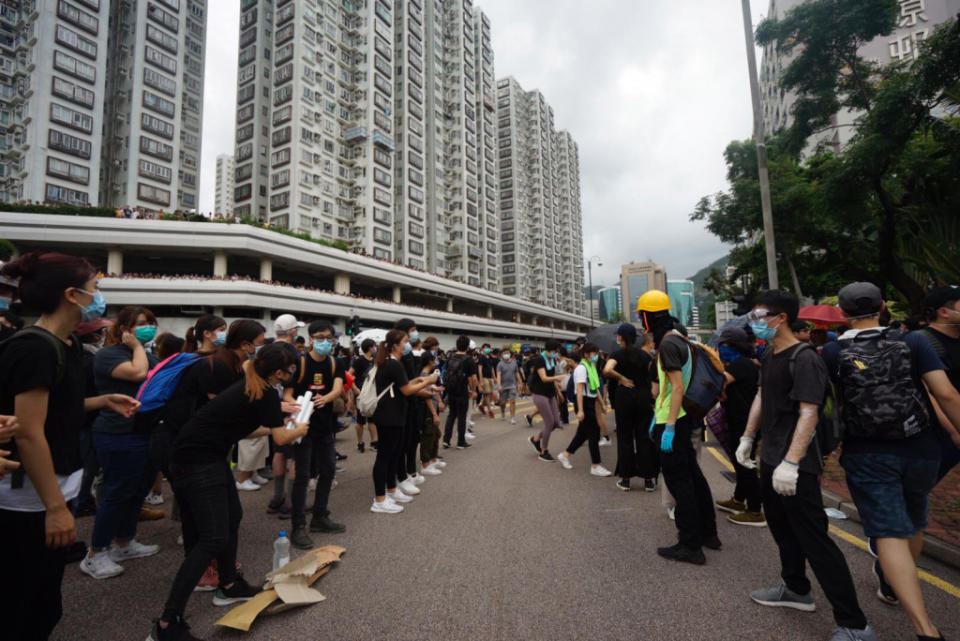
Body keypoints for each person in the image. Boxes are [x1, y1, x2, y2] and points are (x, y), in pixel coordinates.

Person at [0, 252, 140, 641]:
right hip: (28, 497)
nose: (99, 295)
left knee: (46, 602)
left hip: (53, 488)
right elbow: (29, 432)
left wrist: (101, 401)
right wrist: (57, 509)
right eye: (94, 287)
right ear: (71, 295)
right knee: (25, 605)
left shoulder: (67, 345)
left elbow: (55, 411)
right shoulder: (35, 347)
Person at [823, 282, 960, 641]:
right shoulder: (914, 341)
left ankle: (925, 628)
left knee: (888, 531)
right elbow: (945, 393)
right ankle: (896, 579)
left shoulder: (831, 352)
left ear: (841, 312)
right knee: (914, 521)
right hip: (920, 447)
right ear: (883, 306)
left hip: (865, 452)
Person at [737, 290, 875, 641]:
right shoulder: (770, 354)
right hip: (770, 459)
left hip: (795, 466)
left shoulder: (805, 358)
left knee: (815, 540)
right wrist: (748, 438)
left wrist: (791, 463)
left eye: (758, 315)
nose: (753, 322)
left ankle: (855, 625)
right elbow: (762, 396)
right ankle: (796, 588)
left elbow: (809, 413)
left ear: (780, 317)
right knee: (783, 530)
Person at [147, 344, 310, 641]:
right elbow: (283, 438)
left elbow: (244, 429)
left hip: (203, 455)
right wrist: (299, 428)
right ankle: (167, 624)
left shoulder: (254, 383)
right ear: (278, 373)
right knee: (212, 538)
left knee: (232, 516)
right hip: (195, 460)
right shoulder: (264, 391)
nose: (292, 375)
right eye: (290, 371)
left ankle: (229, 584)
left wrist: (280, 426)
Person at [638, 291, 719, 565]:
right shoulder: (681, 338)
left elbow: (677, 387)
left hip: (673, 421)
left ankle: (690, 545)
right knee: (694, 477)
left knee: (679, 482)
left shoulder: (669, 344)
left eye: (642, 315)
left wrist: (668, 425)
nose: (641, 320)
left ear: (649, 316)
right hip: (681, 419)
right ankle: (709, 534)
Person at [82, 305, 162, 580]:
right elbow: (137, 373)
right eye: (141, 323)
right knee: (117, 492)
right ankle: (96, 553)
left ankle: (125, 542)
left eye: (151, 322)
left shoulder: (149, 355)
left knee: (137, 490)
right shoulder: (108, 354)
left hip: (145, 431)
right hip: (117, 432)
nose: (148, 327)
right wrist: (137, 347)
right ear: (125, 329)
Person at [288, 320, 346, 549]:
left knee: (329, 470)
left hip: (325, 427)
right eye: (320, 337)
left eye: (329, 338)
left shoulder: (334, 362)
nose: (325, 342)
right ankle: (298, 526)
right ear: (310, 339)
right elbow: (288, 395)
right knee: (302, 477)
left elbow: (338, 388)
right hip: (303, 428)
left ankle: (320, 516)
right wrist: (301, 407)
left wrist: (326, 398)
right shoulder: (300, 362)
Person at [370, 329, 440, 514]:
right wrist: (428, 381)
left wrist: (419, 379)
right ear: (395, 344)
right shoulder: (393, 364)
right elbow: (408, 390)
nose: (407, 344)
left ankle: (391, 491)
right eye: (405, 341)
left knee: (393, 455)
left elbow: (404, 384)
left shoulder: (392, 363)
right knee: (385, 457)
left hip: (393, 415)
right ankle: (379, 499)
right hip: (389, 416)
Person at [713, 326, 764, 527]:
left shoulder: (740, 365)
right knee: (740, 461)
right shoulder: (742, 363)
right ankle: (738, 500)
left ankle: (754, 511)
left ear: (733, 346)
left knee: (745, 464)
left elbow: (718, 383)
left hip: (745, 423)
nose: (721, 348)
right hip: (740, 419)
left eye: (724, 345)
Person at [603, 323, 658, 492]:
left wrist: (621, 378)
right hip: (643, 397)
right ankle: (648, 480)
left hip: (625, 398)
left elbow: (607, 370)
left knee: (625, 438)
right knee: (644, 438)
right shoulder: (646, 356)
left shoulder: (617, 354)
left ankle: (626, 480)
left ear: (620, 337)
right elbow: (653, 376)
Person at [267, 314, 305, 518]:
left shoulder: (265, 350)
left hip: (271, 404)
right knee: (295, 455)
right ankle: (291, 502)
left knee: (278, 451)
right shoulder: (292, 352)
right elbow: (296, 380)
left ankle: (276, 497)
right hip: (292, 406)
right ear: (292, 331)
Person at [557, 344, 613, 476]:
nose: (596, 356)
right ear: (586, 354)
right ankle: (595, 465)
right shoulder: (582, 368)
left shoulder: (591, 367)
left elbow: (595, 387)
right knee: (594, 433)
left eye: (596, 353)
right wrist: (580, 410)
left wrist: (602, 403)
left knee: (583, 434)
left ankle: (565, 455)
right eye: (594, 353)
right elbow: (580, 390)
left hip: (590, 401)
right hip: (583, 402)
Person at [527, 340, 566, 461]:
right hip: (540, 394)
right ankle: (544, 451)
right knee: (549, 423)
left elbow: (551, 376)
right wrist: (557, 378)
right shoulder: (539, 360)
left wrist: (558, 390)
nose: (556, 354)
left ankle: (536, 439)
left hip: (550, 393)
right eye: (555, 351)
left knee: (556, 423)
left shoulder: (552, 359)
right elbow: (544, 378)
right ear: (549, 350)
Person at [442, 336, 479, 450]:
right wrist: (473, 391)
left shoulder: (450, 357)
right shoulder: (469, 359)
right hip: (462, 390)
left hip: (451, 390)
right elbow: (472, 378)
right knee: (462, 416)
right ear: (467, 346)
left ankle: (446, 440)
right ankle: (460, 442)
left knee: (451, 415)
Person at [350, 338, 379, 453]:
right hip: (360, 394)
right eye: (374, 346)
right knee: (360, 420)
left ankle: (374, 442)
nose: (375, 348)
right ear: (370, 347)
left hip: (372, 393)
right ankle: (360, 442)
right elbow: (348, 375)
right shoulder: (359, 361)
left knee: (372, 419)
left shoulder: (375, 361)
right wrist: (355, 389)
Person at [496, 349, 523, 423]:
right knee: (503, 403)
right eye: (504, 353)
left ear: (510, 354)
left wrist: (520, 383)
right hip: (503, 386)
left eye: (507, 353)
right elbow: (498, 375)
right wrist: (499, 385)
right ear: (502, 355)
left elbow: (517, 373)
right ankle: (503, 413)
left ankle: (512, 417)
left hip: (512, 385)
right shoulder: (500, 364)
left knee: (512, 401)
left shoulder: (514, 363)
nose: (506, 354)